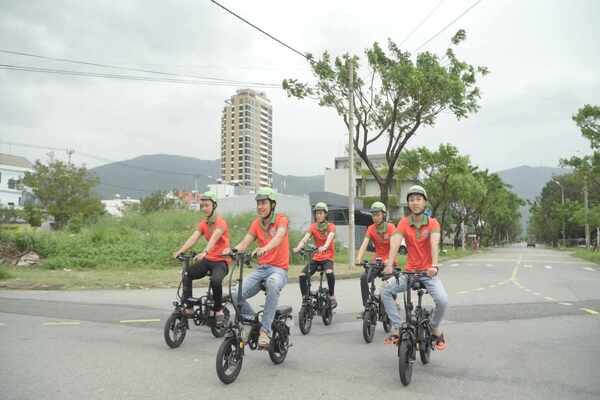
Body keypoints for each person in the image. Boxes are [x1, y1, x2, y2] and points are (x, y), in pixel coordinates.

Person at [381, 185, 448, 350]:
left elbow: (434, 243)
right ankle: (397, 327)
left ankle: (434, 327)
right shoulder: (404, 223)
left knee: (443, 300)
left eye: (418, 199)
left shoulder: (433, 223)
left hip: (428, 273)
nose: (415, 202)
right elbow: (395, 242)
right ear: (408, 204)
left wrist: (434, 265)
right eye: (411, 200)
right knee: (385, 291)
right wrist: (389, 264)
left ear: (425, 202)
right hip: (410, 273)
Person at [228, 187, 289, 348]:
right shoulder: (256, 223)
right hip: (262, 269)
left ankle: (265, 331)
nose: (260, 206)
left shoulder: (281, 219)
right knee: (234, 294)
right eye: (258, 203)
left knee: (273, 283)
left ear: (272, 205)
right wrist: (232, 250)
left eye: (264, 203)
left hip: (278, 270)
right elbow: (245, 241)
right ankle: (251, 322)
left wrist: (265, 248)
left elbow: (279, 236)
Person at [173, 191, 229, 324]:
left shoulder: (221, 222)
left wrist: (205, 251)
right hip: (208, 260)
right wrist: (180, 251)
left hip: (221, 261)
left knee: (216, 280)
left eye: (207, 205)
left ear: (214, 205)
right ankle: (189, 306)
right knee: (187, 274)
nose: (204, 208)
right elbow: (194, 238)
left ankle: (218, 308)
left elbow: (214, 238)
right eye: (202, 205)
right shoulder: (204, 223)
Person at [293, 202, 337, 308]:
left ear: (325, 214)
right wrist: (298, 247)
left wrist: (325, 246)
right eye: (317, 213)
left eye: (321, 213)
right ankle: (305, 298)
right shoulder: (313, 227)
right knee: (302, 275)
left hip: (327, 257)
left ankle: (331, 295)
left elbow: (330, 237)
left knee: (329, 272)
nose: (318, 215)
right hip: (316, 257)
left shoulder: (331, 226)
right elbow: (305, 238)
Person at [355, 201, 396, 314]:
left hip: (389, 261)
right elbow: (364, 243)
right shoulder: (371, 228)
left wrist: (389, 261)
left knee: (390, 281)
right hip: (376, 261)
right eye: (373, 215)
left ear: (383, 215)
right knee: (364, 277)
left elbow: (393, 245)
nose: (375, 217)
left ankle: (392, 301)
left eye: (378, 215)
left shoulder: (390, 227)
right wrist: (359, 257)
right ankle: (367, 305)